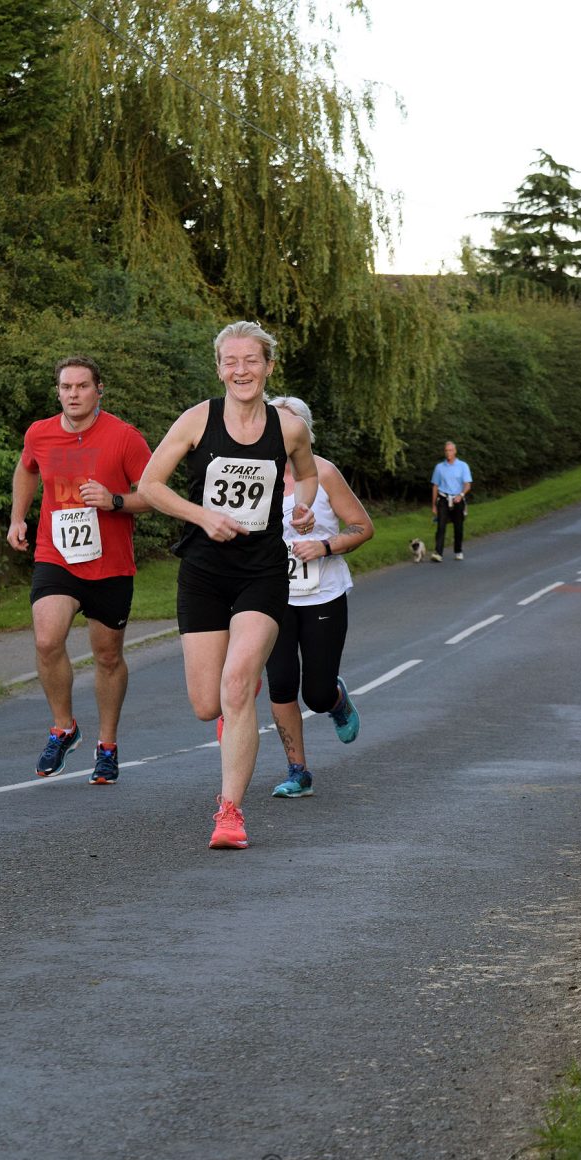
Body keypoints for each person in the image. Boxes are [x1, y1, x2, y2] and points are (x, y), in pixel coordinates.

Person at [137, 321, 318, 849]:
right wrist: (202, 516)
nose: (241, 370)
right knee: (206, 703)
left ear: (268, 366)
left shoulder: (288, 428)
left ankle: (230, 813)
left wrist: (303, 507)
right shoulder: (198, 419)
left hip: (262, 571)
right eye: (231, 361)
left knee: (235, 684)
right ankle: (239, 688)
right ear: (219, 368)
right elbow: (149, 484)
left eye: (251, 360)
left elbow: (307, 474)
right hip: (204, 573)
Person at [7, 355, 152, 784]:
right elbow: (26, 469)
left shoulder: (125, 438)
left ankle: (107, 746)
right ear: (58, 392)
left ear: (98, 390)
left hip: (110, 563)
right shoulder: (40, 433)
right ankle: (63, 728)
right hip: (56, 556)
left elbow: (155, 494)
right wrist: (18, 518)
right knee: (47, 639)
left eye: (82, 386)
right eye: (66, 387)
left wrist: (114, 501)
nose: (73, 394)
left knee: (107, 656)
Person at [264, 397, 374, 798]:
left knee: (316, 693)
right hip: (273, 595)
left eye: (289, 426)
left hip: (323, 594)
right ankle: (298, 771)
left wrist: (324, 546)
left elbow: (362, 527)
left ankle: (336, 700)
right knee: (281, 684)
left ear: (304, 432)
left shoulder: (324, 472)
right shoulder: (261, 475)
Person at [430, 440, 472, 562]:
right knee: (441, 526)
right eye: (446, 450)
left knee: (458, 526)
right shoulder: (439, 467)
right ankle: (438, 553)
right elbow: (435, 486)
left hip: (457, 499)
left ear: (455, 451)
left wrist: (461, 494)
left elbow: (467, 484)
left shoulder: (463, 466)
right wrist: (433, 505)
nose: (448, 453)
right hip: (443, 499)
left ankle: (458, 551)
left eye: (450, 450)